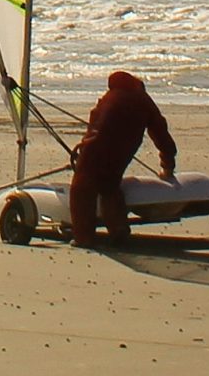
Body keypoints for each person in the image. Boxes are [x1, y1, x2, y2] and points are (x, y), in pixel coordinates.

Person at [68, 68, 176, 247]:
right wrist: (168, 163)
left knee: (82, 189)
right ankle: (119, 230)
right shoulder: (144, 100)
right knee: (110, 185)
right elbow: (161, 133)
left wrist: (83, 147)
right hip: (124, 149)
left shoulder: (109, 98)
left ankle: (83, 237)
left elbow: (95, 125)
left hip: (97, 147)